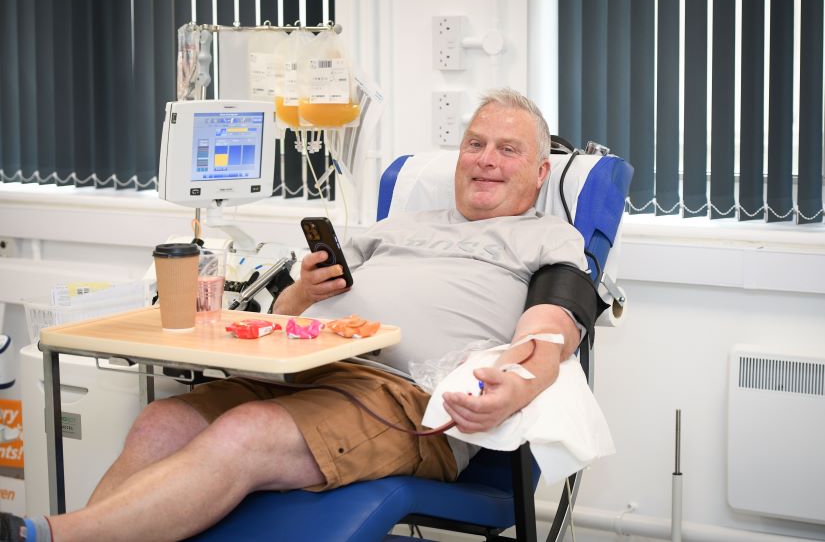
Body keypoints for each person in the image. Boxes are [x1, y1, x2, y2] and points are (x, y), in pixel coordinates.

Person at [0, 88, 588, 542]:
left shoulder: (548, 238)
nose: (486, 160)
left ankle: (47, 535)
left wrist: (514, 388)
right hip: (303, 370)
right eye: (475, 144)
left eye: (508, 149)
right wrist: (303, 293)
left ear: (540, 172)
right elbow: (284, 313)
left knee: (245, 434)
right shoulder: (396, 227)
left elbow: (553, 327)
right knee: (161, 423)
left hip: (405, 396)